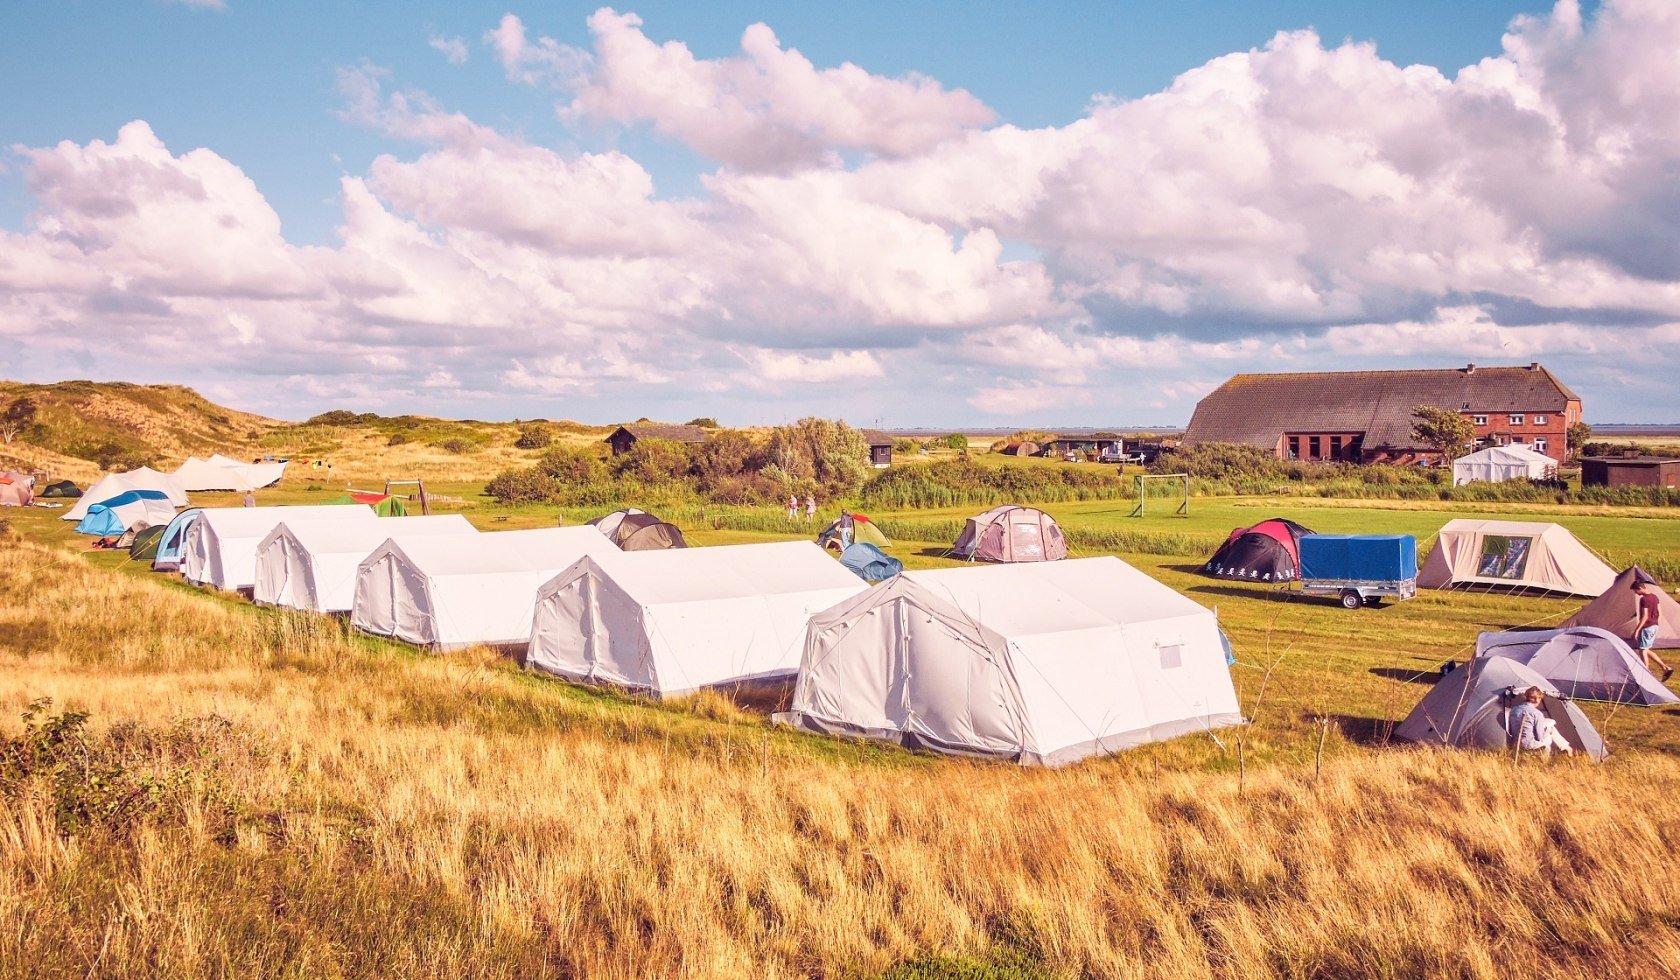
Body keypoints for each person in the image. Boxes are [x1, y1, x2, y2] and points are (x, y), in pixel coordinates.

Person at [1510, 686, 1573, 756]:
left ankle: (1565, 747)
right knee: (1551, 729)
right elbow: (1539, 737)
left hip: (1516, 743)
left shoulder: (1514, 710)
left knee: (1547, 725)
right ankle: (1565, 748)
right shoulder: (1536, 713)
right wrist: (1548, 729)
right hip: (1531, 745)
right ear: (1537, 699)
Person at [1632, 579, 1673, 681]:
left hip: (1647, 627)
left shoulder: (1644, 599)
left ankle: (1645, 674)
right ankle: (1665, 668)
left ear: (1640, 588)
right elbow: (1660, 613)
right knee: (1646, 649)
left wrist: (1637, 630)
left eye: (1636, 591)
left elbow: (1645, 616)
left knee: (1642, 650)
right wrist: (1655, 624)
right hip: (1654, 626)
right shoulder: (1655, 597)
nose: (1636, 593)